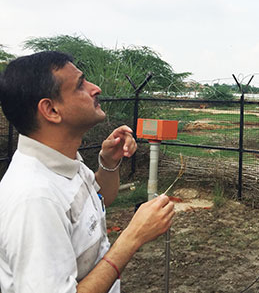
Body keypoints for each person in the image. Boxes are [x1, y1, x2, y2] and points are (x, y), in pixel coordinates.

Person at [0, 51, 175, 293]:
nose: (96, 88)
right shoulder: (35, 199)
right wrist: (133, 237)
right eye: (80, 85)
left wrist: (109, 163)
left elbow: (101, 200)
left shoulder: (63, 163)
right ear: (51, 110)